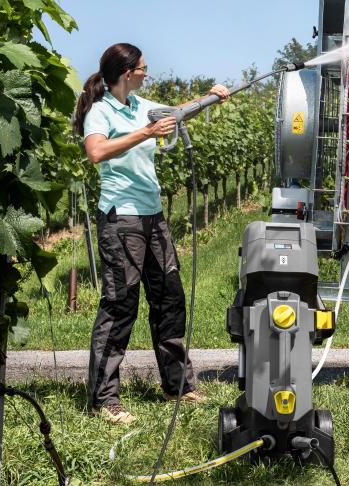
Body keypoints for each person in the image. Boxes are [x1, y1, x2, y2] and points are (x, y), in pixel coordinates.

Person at [72, 43, 229, 425]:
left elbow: (176, 113)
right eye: (143, 68)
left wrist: (211, 97)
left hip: (153, 217)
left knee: (169, 299)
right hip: (121, 219)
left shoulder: (140, 104)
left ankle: (178, 385)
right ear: (127, 73)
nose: (147, 72)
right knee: (120, 305)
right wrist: (145, 133)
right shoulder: (101, 111)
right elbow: (96, 152)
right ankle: (105, 399)